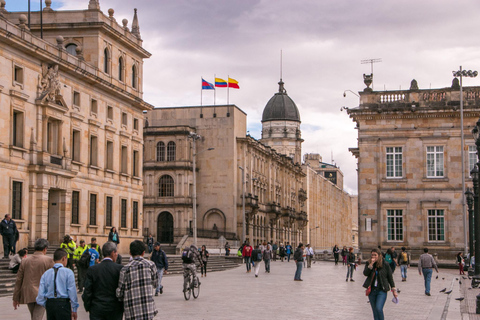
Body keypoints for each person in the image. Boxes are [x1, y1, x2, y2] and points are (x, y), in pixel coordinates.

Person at [13, 238, 54, 320]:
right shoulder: (49, 260)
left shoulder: (25, 261)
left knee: (34, 316)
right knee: (37, 317)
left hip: (28, 292)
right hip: (42, 293)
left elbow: (19, 280)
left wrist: (15, 297)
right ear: (45, 249)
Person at [117, 240, 158, 320]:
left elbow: (120, 292)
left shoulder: (125, 269)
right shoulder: (151, 265)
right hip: (148, 311)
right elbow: (155, 284)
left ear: (130, 253)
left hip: (132, 312)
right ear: (143, 253)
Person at [83, 242, 123, 320]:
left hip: (97, 308)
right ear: (112, 253)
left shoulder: (93, 269)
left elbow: (87, 290)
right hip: (115, 309)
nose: (117, 255)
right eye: (116, 252)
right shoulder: (119, 269)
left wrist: (88, 306)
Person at [36, 248, 79, 320]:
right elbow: (72, 291)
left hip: (50, 303)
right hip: (63, 304)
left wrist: (46, 304)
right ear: (64, 258)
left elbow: (40, 295)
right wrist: (74, 308)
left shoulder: (46, 274)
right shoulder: (68, 272)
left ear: (53, 260)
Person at [363, 248, 398, 320]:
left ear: (379, 255)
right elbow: (365, 273)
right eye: (372, 255)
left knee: (379, 308)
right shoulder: (368, 263)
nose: (373, 257)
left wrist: (394, 290)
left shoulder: (385, 264)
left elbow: (390, 278)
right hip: (372, 291)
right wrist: (371, 265)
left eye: (375, 255)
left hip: (382, 290)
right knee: (375, 311)